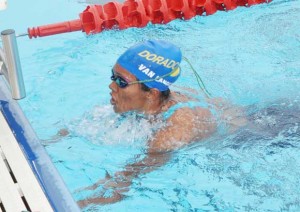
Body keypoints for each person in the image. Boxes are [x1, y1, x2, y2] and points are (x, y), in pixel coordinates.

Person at [77, 40, 246, 208]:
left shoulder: (171, 132)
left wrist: (80, 203)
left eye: (121, 82)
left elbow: (121, 187)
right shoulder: (147, 100)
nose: (111, 86)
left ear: (152, 93)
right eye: (113, 76)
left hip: (246, 139)